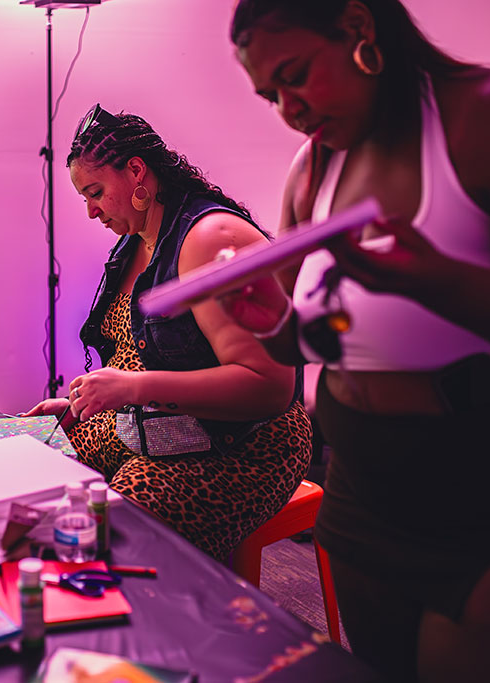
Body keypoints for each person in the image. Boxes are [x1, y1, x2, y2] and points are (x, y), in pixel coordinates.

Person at [222, 1, 490, 681]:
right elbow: (323, 340)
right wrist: (271, 318)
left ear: (358, 25)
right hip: (367, 492)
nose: (288, 108)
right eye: (271, 94)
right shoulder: (315, 166)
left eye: (296, 76)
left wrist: (438, 280)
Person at [25, 107, 312, 561]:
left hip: (240, 446)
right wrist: (90, 400)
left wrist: (134, 388)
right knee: (34, 475)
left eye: (95, 192)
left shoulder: (211, 240)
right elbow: (140, 356)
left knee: (110, 537)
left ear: (136, 170)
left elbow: (269, 388)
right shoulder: (137, 240)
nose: (91, 210)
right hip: (157, 423)